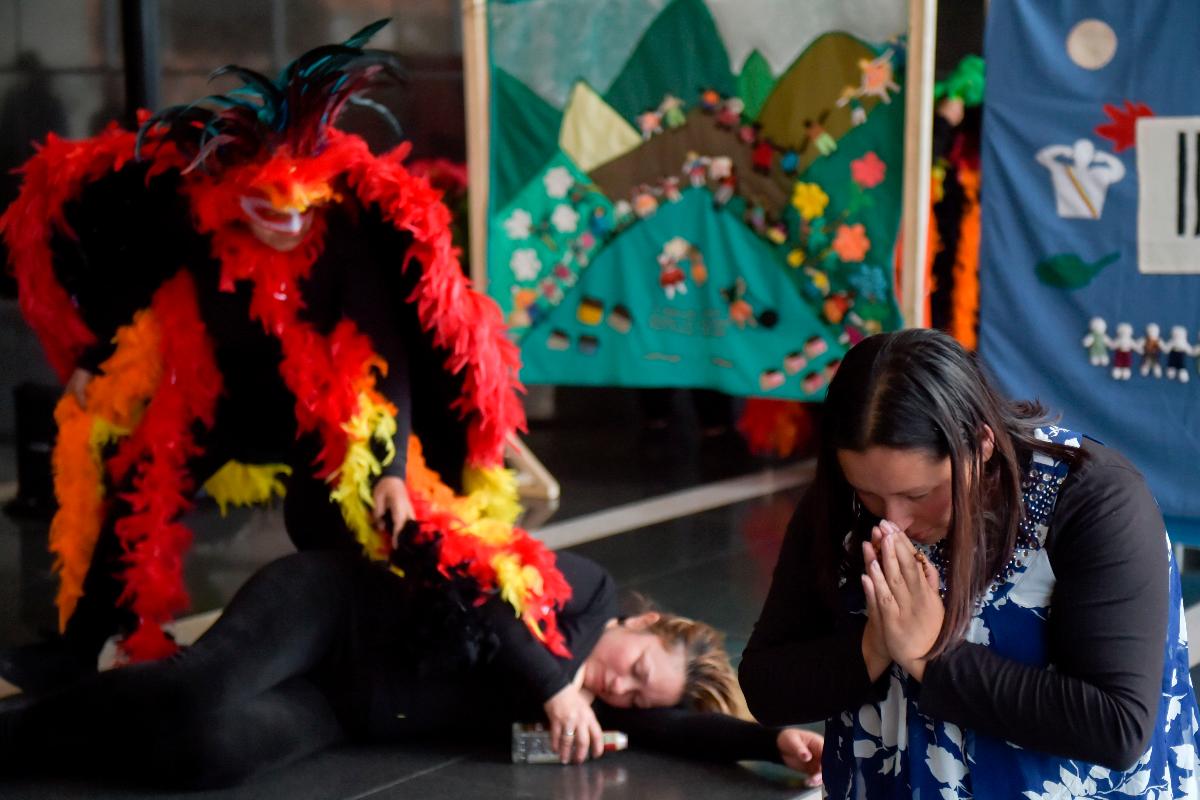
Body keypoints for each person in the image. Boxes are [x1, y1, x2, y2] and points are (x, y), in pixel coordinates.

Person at [0, 20, 551, 688]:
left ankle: (356, 649)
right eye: (266, 205)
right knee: (139, 477)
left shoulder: (344, 249)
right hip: (222, 393)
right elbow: (145, 280)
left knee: (333, 519)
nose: (285, 222)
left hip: (319, 410)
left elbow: (389, 353)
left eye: (300, 206)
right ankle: (83, 642)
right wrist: (95, 357)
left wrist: (393, 466)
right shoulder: (203, 227)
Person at [739, 329, 1200, 798]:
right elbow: (765, 686)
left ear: (980, 445)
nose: (893, 519)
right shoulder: (840, 505)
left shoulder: (1090, 500)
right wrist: (873, 648)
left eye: (918, 494)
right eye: (870, 492)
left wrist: (933, 656)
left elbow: (1117, 726)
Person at [0, 549, 823, 790]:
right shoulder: (589, 592)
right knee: (199, 687)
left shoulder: (602, 711)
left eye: (639, 696)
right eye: (639, 666)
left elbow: (677, 730)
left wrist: (768, 739)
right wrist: (552, 684)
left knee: (212, 751)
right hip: (331, 608)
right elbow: (487, 595)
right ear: (640, 622)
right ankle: (22, 728)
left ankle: (53, 746)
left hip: (342, 707)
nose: (624, 689)